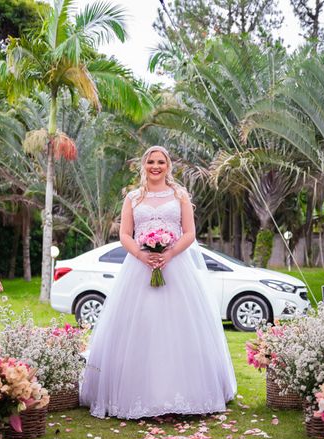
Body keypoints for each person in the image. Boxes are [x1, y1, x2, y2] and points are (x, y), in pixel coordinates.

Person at [80, 146, 237, 419]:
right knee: (142, 327)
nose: (155, 166)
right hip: (139, 270)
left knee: (178, 329)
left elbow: (189, 233)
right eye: (151, 161)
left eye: (160, 162)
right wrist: (143, 255)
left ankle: (184, 396)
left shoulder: (179, 195)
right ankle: (140, 396)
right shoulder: (133, 197)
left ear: (168, 166)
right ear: (144, 165)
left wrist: (169, 253)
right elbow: (125, 235)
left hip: (176, 268)